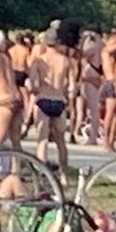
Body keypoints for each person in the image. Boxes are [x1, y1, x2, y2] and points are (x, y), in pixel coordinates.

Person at [30, 29, 73, 175]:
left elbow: (33, 84)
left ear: (44, 42)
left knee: (42, 140)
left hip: (43, 99)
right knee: (61, 141)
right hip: (59, 100)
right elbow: (72, 86)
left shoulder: (38, 61)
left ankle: (43, 174)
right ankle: (64, 174)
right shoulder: (65, 61)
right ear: (58, 42)